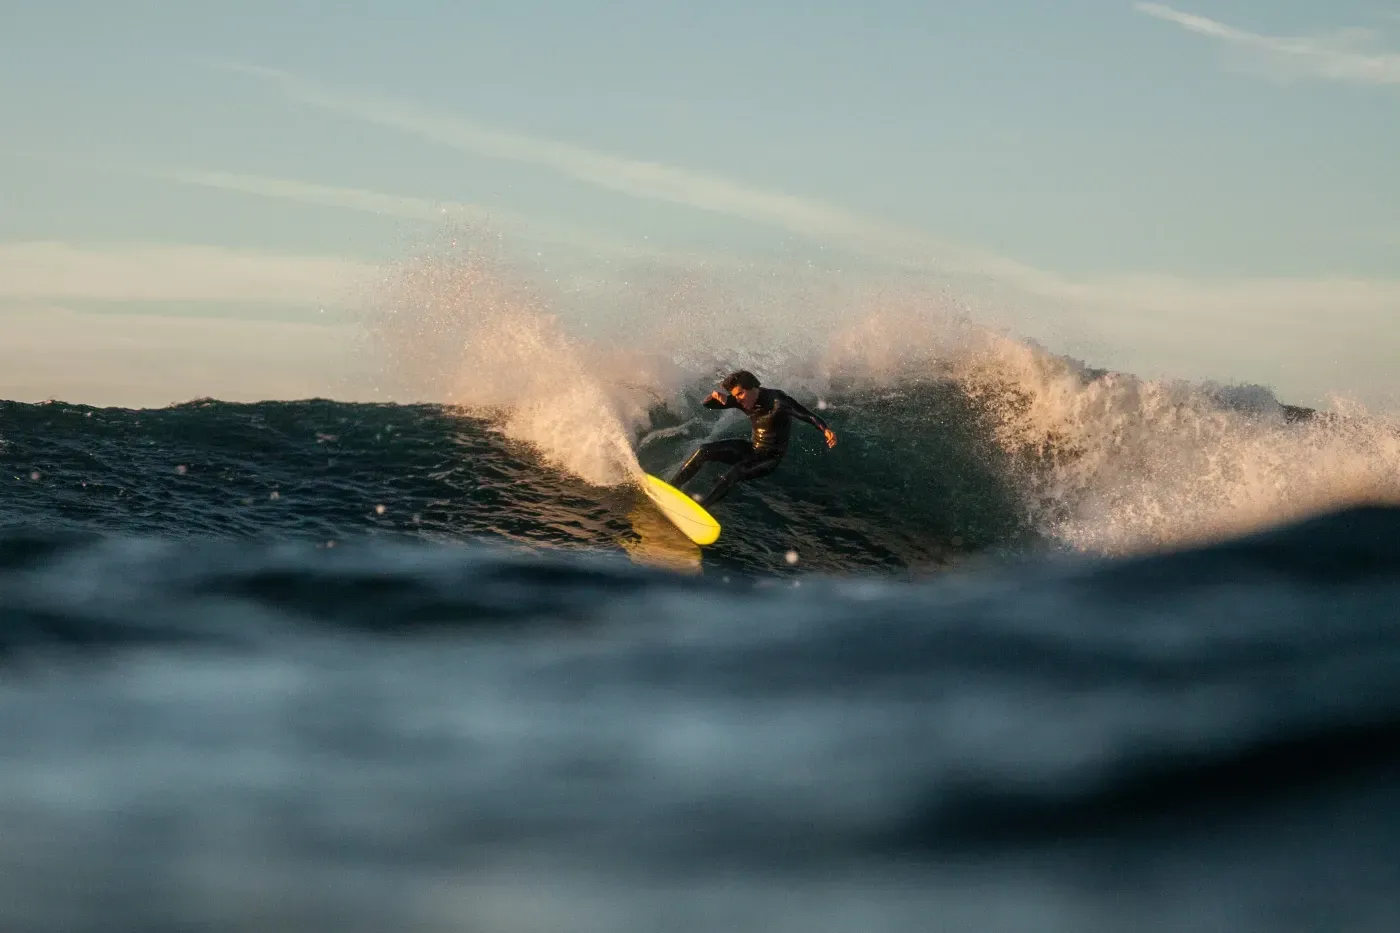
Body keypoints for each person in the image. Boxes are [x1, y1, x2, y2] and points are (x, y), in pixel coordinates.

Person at [670, 370, 837, 508]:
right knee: (704, 450)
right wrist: (714, 397)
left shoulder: (778, 401)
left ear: (752, 387)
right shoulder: (742, 399)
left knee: (737, 471)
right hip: (753, 449)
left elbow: (807, 415)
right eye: (735, 395)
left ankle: (703, 508)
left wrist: (825, 429)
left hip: (770, 458)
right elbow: (708, 405)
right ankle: (672, 487)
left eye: (740, 394)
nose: (737, 399)